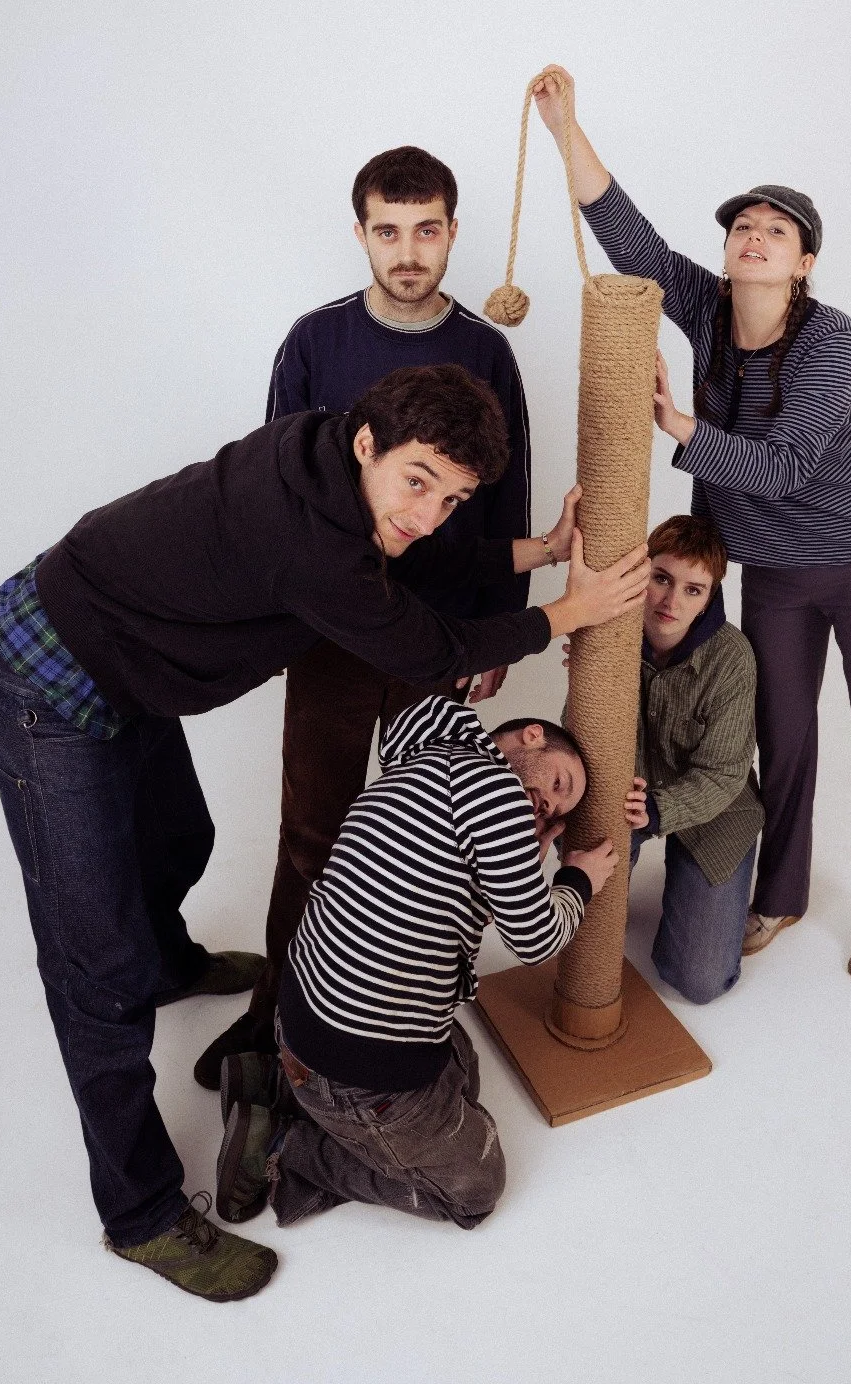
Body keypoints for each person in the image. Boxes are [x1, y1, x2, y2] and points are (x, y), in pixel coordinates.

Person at [0, 362, 649, 1300]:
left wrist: (532, 553)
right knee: (96, 972)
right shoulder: (307, 537)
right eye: (419, 482)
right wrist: (568, 612)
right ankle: (141, 1217)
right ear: (368, 443)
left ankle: (171, 965)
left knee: (184, 839)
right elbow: (425, 645)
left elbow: (402, 556)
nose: (429, 513)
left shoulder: (340, 460)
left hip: (127, 664)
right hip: (48, 677)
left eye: (453, 497)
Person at [534, 65, 851, 985]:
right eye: (743, 227)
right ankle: (780, 892)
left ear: (804, 261)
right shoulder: (706, 310)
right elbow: (628, 232)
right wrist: (563, 127)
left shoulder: (832, 337)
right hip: (777, 574)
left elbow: (787, 467)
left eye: (775, 231)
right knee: (783, 738)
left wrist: (680, 429)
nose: (754, 238)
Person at [195, 146, 532, 1089]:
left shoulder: (486, 352)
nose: (409, 251)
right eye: (389, 230)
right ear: (362, 234)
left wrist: (503, 615)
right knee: (315, 829)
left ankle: (400, 1015)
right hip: (337, 634)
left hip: (443, 635)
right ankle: (274, 1027)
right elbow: (274, 485)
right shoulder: (316, 343)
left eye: (427, 231)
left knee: (425, 833)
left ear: (454, 232)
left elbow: (505, 499)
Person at [213, 695, 619, 1231]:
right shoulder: (495, 791)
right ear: (531, 736)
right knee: (476, 1193)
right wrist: (577, 879)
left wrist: (517, 861)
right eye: (558, 784)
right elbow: (537, 940)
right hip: (354, 1070)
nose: (545, 805)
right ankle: (284, 1149)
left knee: (462, 1066)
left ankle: (275, 1080)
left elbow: (438, 900)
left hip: (305, 1013)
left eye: (557, 813)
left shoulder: (423, 758)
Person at [612, 515, 764, 1004]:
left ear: (711, 596)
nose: (670, 602)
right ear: (645, 572)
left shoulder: (732, 657)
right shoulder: (610, 629)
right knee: (591, 830)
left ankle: (692, 872)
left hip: (716, 804)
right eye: (662, 579)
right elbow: (588, 735)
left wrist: (661, 811)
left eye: (693, 590)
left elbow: (723, 775)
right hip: (630, 791)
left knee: (698, 980)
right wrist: (596, 680)